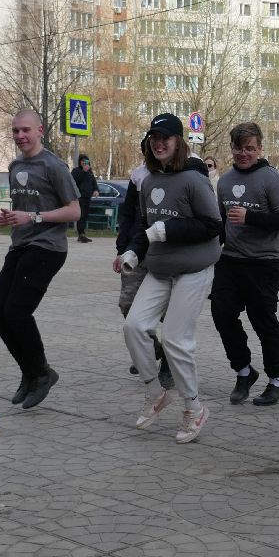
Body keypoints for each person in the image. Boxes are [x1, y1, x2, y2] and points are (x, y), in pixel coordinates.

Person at [122, 113, 224, 443]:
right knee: (134, 326)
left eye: (166, 137)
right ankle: (156, 394)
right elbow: (144, 226)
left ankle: (194, 409)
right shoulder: (148, 181)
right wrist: (132, 253)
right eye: (154, 138)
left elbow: (214, 225)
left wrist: (166, 230)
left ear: (178, 142)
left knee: (176, 339)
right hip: (159, 269)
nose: (159, 143)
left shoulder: (195, 179)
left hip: (193, 269)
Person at [0, 110, 80, 410]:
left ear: (40, 130)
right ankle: (29, 373)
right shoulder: (15, 165)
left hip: (48, 247)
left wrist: (34, 217)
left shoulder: (54, 166)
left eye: (26, 130)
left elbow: (74, 211)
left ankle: (42, 373)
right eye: (15, 131)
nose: (20, 136)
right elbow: (24, 209)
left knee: (16, 312)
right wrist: (11, 218)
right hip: (21, 245)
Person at [212, 122, 279, 406]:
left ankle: (277, 380)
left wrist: (251, 218)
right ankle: (244, 371)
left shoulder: (272, 179)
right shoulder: (224, 180)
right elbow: (222, 223)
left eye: (250, 148)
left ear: (260, 148)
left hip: (264, 262)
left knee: (263, 322)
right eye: (238, 148)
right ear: (232, 149)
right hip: (230, 260)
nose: (243, 153)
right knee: (222, 314)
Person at [113, 161, 172, 390]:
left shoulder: (181, 172)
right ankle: (151, 348)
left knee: (169, 314)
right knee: (127, 304)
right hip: (136, 251)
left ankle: (168, 364)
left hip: (166, 252)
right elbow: (127, 214)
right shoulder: (138, 175)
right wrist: (121, 250)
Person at [72, 155, 97, 243]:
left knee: (85, 215)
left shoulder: (90, 171)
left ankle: (82, 233)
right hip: (79, 197)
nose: (84, 162)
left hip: (88, 197)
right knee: (81, 215)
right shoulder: (76, 171)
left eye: (86, 161)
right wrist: (83, 171)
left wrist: (96, 190)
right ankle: (81, 234)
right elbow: (74, 182)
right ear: (80, 162)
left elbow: (93, 182)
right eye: (82, 161)